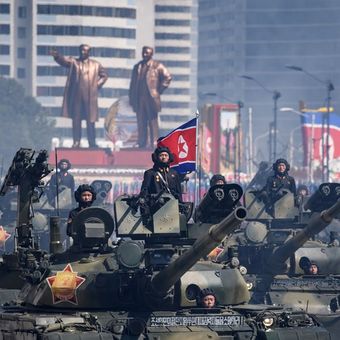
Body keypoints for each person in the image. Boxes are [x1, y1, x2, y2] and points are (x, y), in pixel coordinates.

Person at [50, 44, 108, 148]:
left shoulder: (96, 64)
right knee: (76, 120)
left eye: (85, 51)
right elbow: (64, 61)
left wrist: (96, 85)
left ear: (89, 52)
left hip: (90, 98)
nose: (83, 52)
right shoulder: (74, 62)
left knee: (90, 121)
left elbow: (104, 76)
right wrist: (57, 56)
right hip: (77, 97)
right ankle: (76, 141)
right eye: (81, 50)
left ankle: (92, 142)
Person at [129, 46, 172, 149]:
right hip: (139, 99)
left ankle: (154, 142)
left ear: (151, 54)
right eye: (143, 53)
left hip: (151, 98)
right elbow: (132, 84)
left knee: (153, 121)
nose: (145, 55)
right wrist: (131, 97)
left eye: (147, 53)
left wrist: (158, 91)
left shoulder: (157, 66)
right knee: (141, 121)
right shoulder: (137, 67)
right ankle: (141, 142)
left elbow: (168, 77)